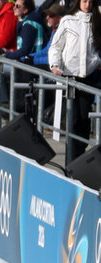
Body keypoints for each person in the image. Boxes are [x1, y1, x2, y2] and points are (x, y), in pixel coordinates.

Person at [48, 0, 101, 159]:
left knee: (84, 120)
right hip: (69, 76)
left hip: (88, 77)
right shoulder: (68, 21)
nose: (87, 4)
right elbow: (56, 46)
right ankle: (71, 160)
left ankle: (79, 159)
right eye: (84, 1)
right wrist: (54, 65)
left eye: (90, 1)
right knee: (73, 120)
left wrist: (98, 61)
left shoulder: (97, 21)